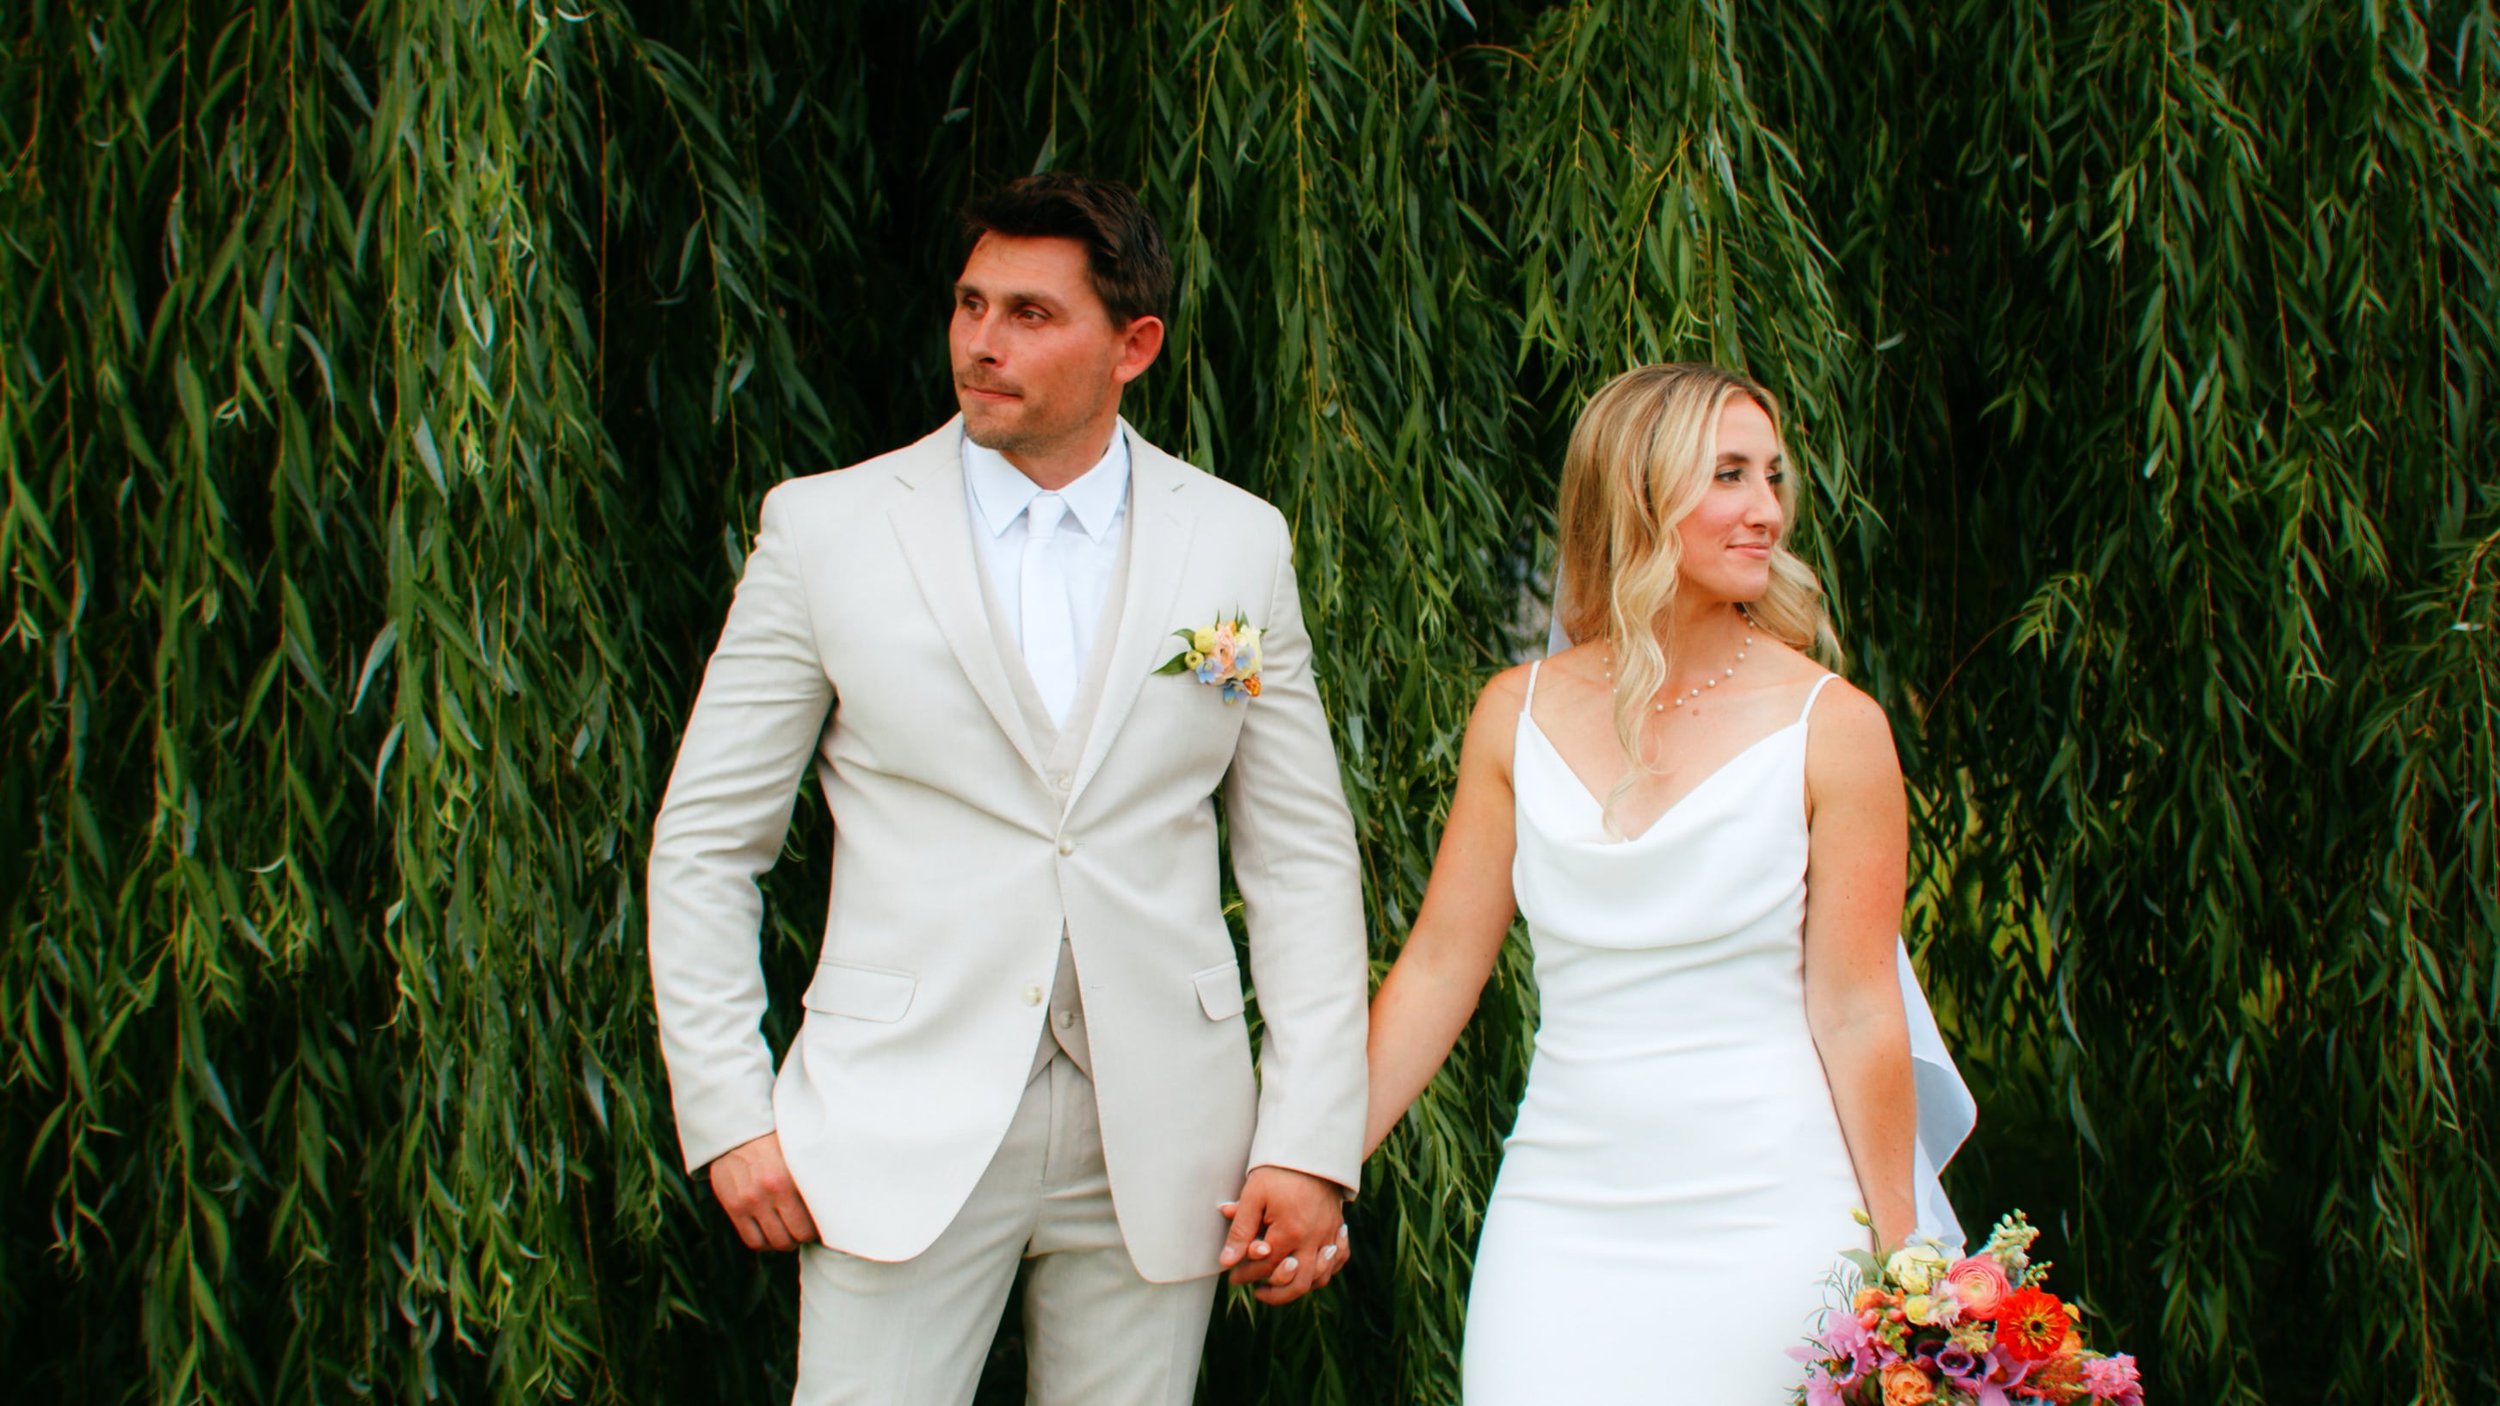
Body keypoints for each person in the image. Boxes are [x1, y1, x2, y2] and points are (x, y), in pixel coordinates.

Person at [645, 173, 1367, 1406]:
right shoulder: (825, 531)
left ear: (1133, 345)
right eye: (971, 303)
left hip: (1164, 1131)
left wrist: (1308, 1139)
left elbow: (1298, 856)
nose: (982, 342)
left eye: (1031, 314)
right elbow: (708, 841)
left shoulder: (1236, 540)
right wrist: (728, 1111)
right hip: (895, 1112)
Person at [1362, 363, 1920, 1400]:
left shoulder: (1835, 728)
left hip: (1772, 1214)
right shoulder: (1513, 713)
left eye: (1772, 476)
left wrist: (1908, 1262)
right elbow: (1438, 968)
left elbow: (1855, 1008)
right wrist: (1313, 1158)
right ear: (1637, 491)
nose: (1767, 510)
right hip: (1561, 1213)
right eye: (1729, 475)